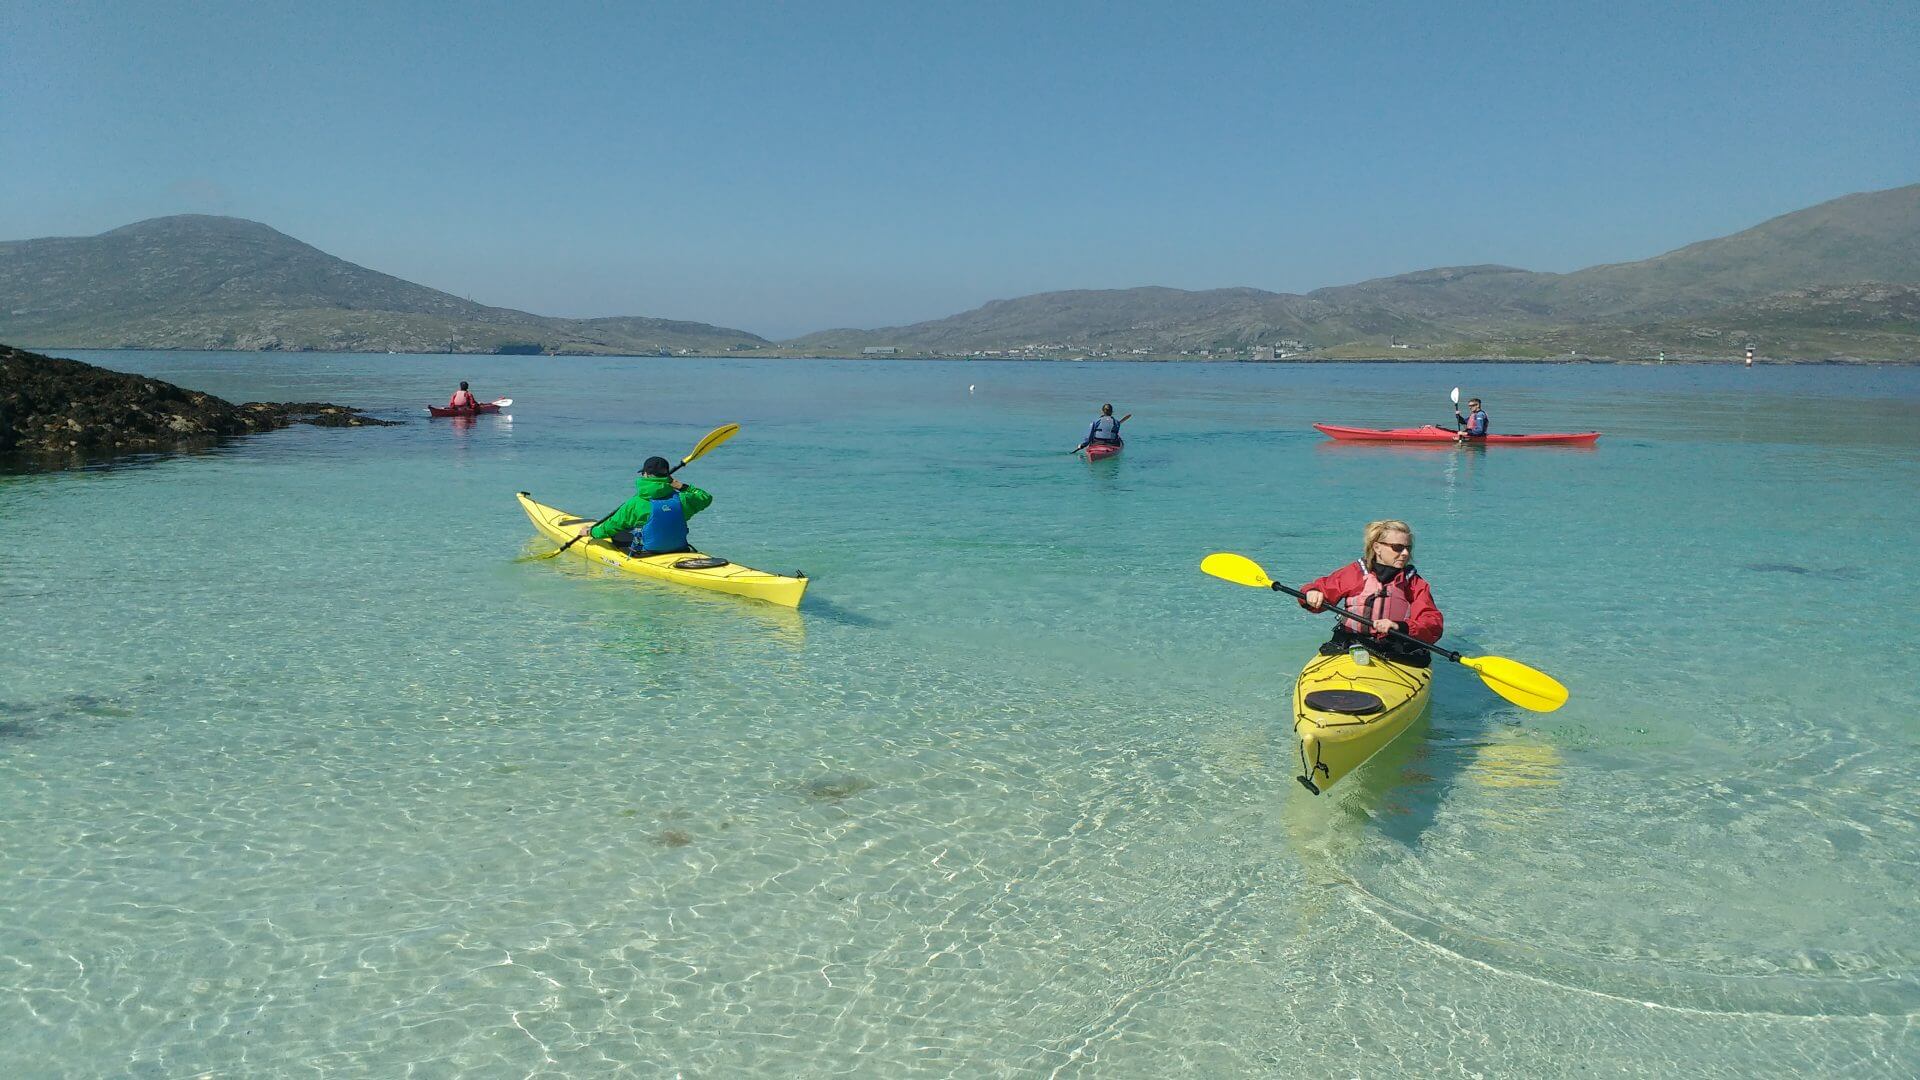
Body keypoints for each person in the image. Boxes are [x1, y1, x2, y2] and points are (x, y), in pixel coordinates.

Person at [1298, 519, 1444, 666]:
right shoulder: (1354, 573)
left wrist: (1400, 626)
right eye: (1397, 547)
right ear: (1377, 547)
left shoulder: (1414, 583)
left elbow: (1432, 622)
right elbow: (1321, 589)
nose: (1405, 553)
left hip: (1396, 648)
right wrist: (1312, 592)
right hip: (1351, 642)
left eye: (1408, 548)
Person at [574, 456, 713, 556]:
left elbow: (612, 526)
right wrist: (682, 486)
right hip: (680, 549)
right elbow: (705, 498)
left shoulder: (636, 503)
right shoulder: (682, 499)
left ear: (645, 474)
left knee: (619, 532)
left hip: (646, 552)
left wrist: (590, 532)